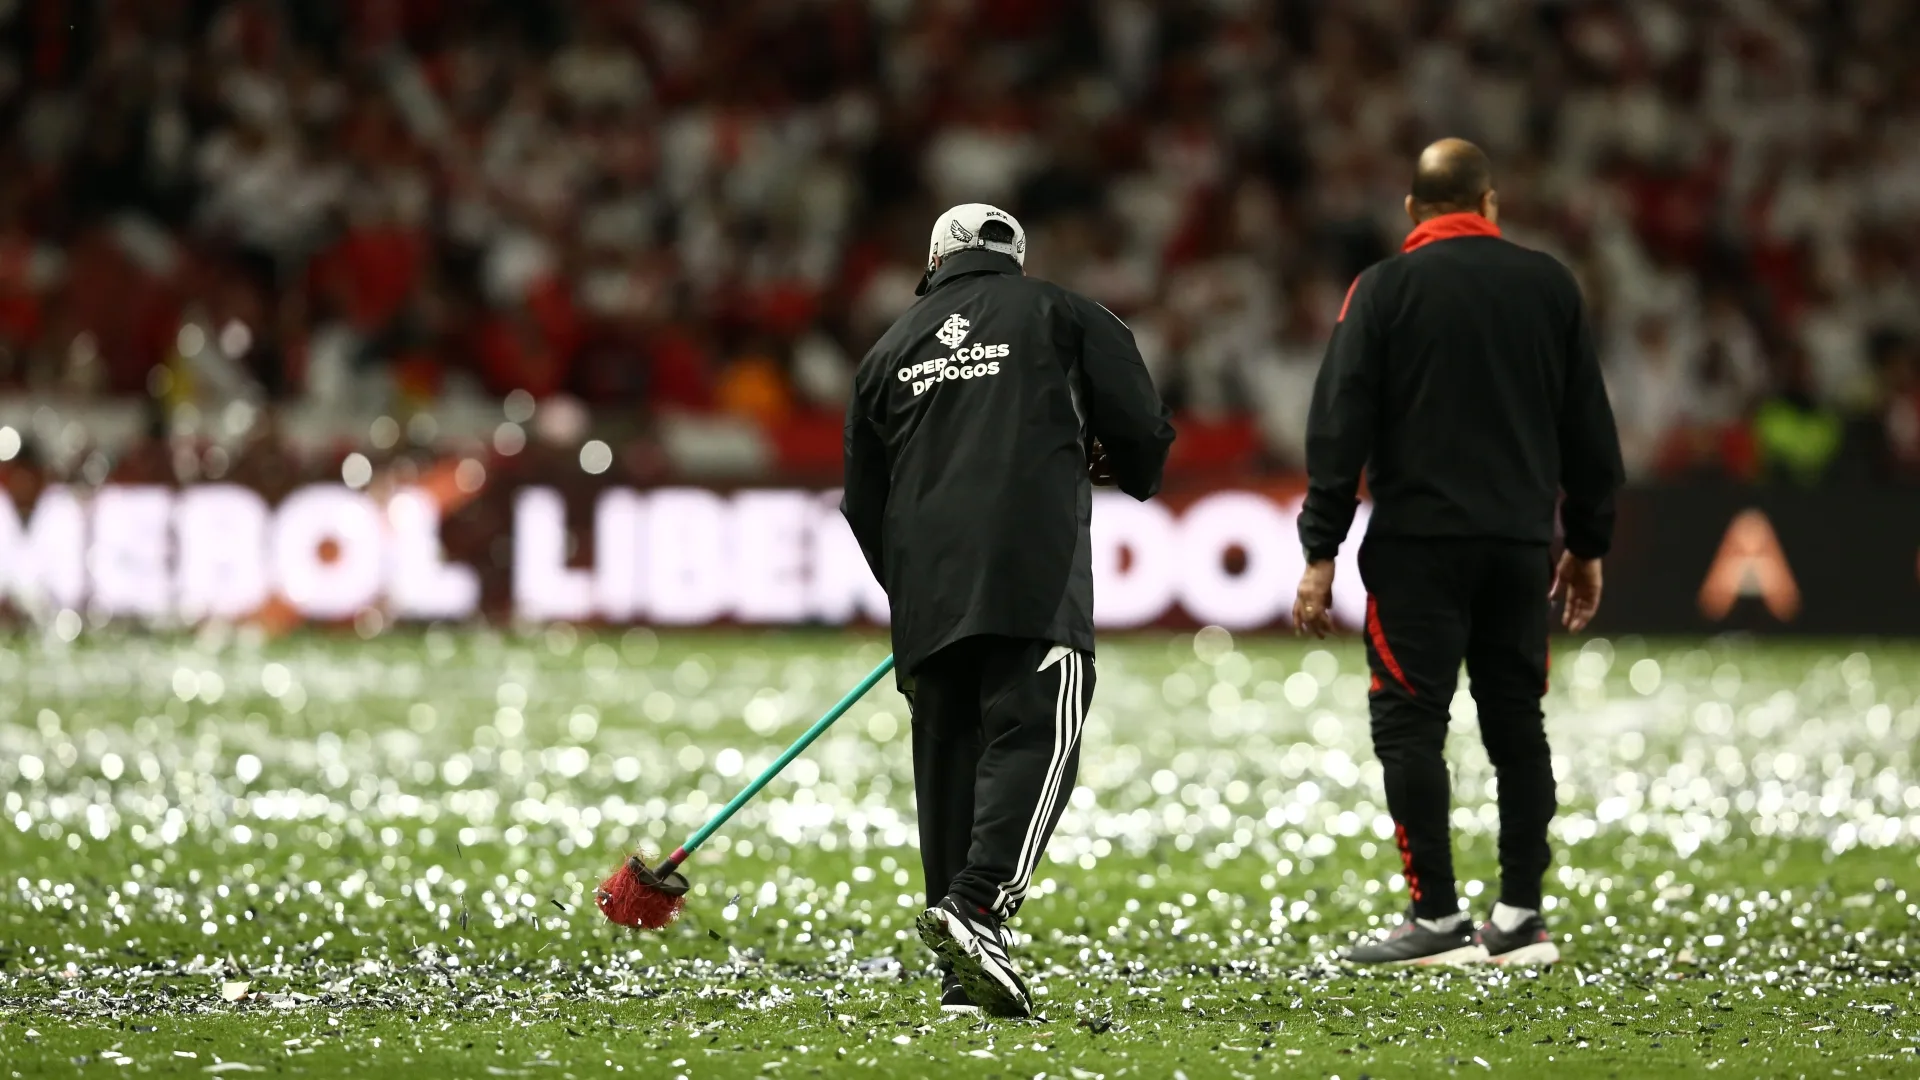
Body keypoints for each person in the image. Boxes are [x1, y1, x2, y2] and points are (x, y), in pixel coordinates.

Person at [1292, 140, 1625, 966]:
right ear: (1491, 203)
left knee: (1409, 724)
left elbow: (1340, 425)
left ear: (1413, 210)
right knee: (1518, 724)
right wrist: (1585, 543)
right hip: (1518, 546)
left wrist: (1320, 547)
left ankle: (1436, 919)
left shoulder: (1382, 289)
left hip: (1417, 548)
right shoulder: (1549, 284)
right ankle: (1520, 918)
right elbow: (1590, 428)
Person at [842, 203, 1175, 1015]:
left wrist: (917, 590)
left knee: (950, 765)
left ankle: (961, 978)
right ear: (1016, 260)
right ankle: (979, 906)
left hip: (929, 595)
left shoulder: (887, 350)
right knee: (1036, 732)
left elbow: (861, 502)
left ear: (935, 261)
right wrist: (1123, 458)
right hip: (1031, 573)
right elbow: (1141, 434)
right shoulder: (1066, 312)